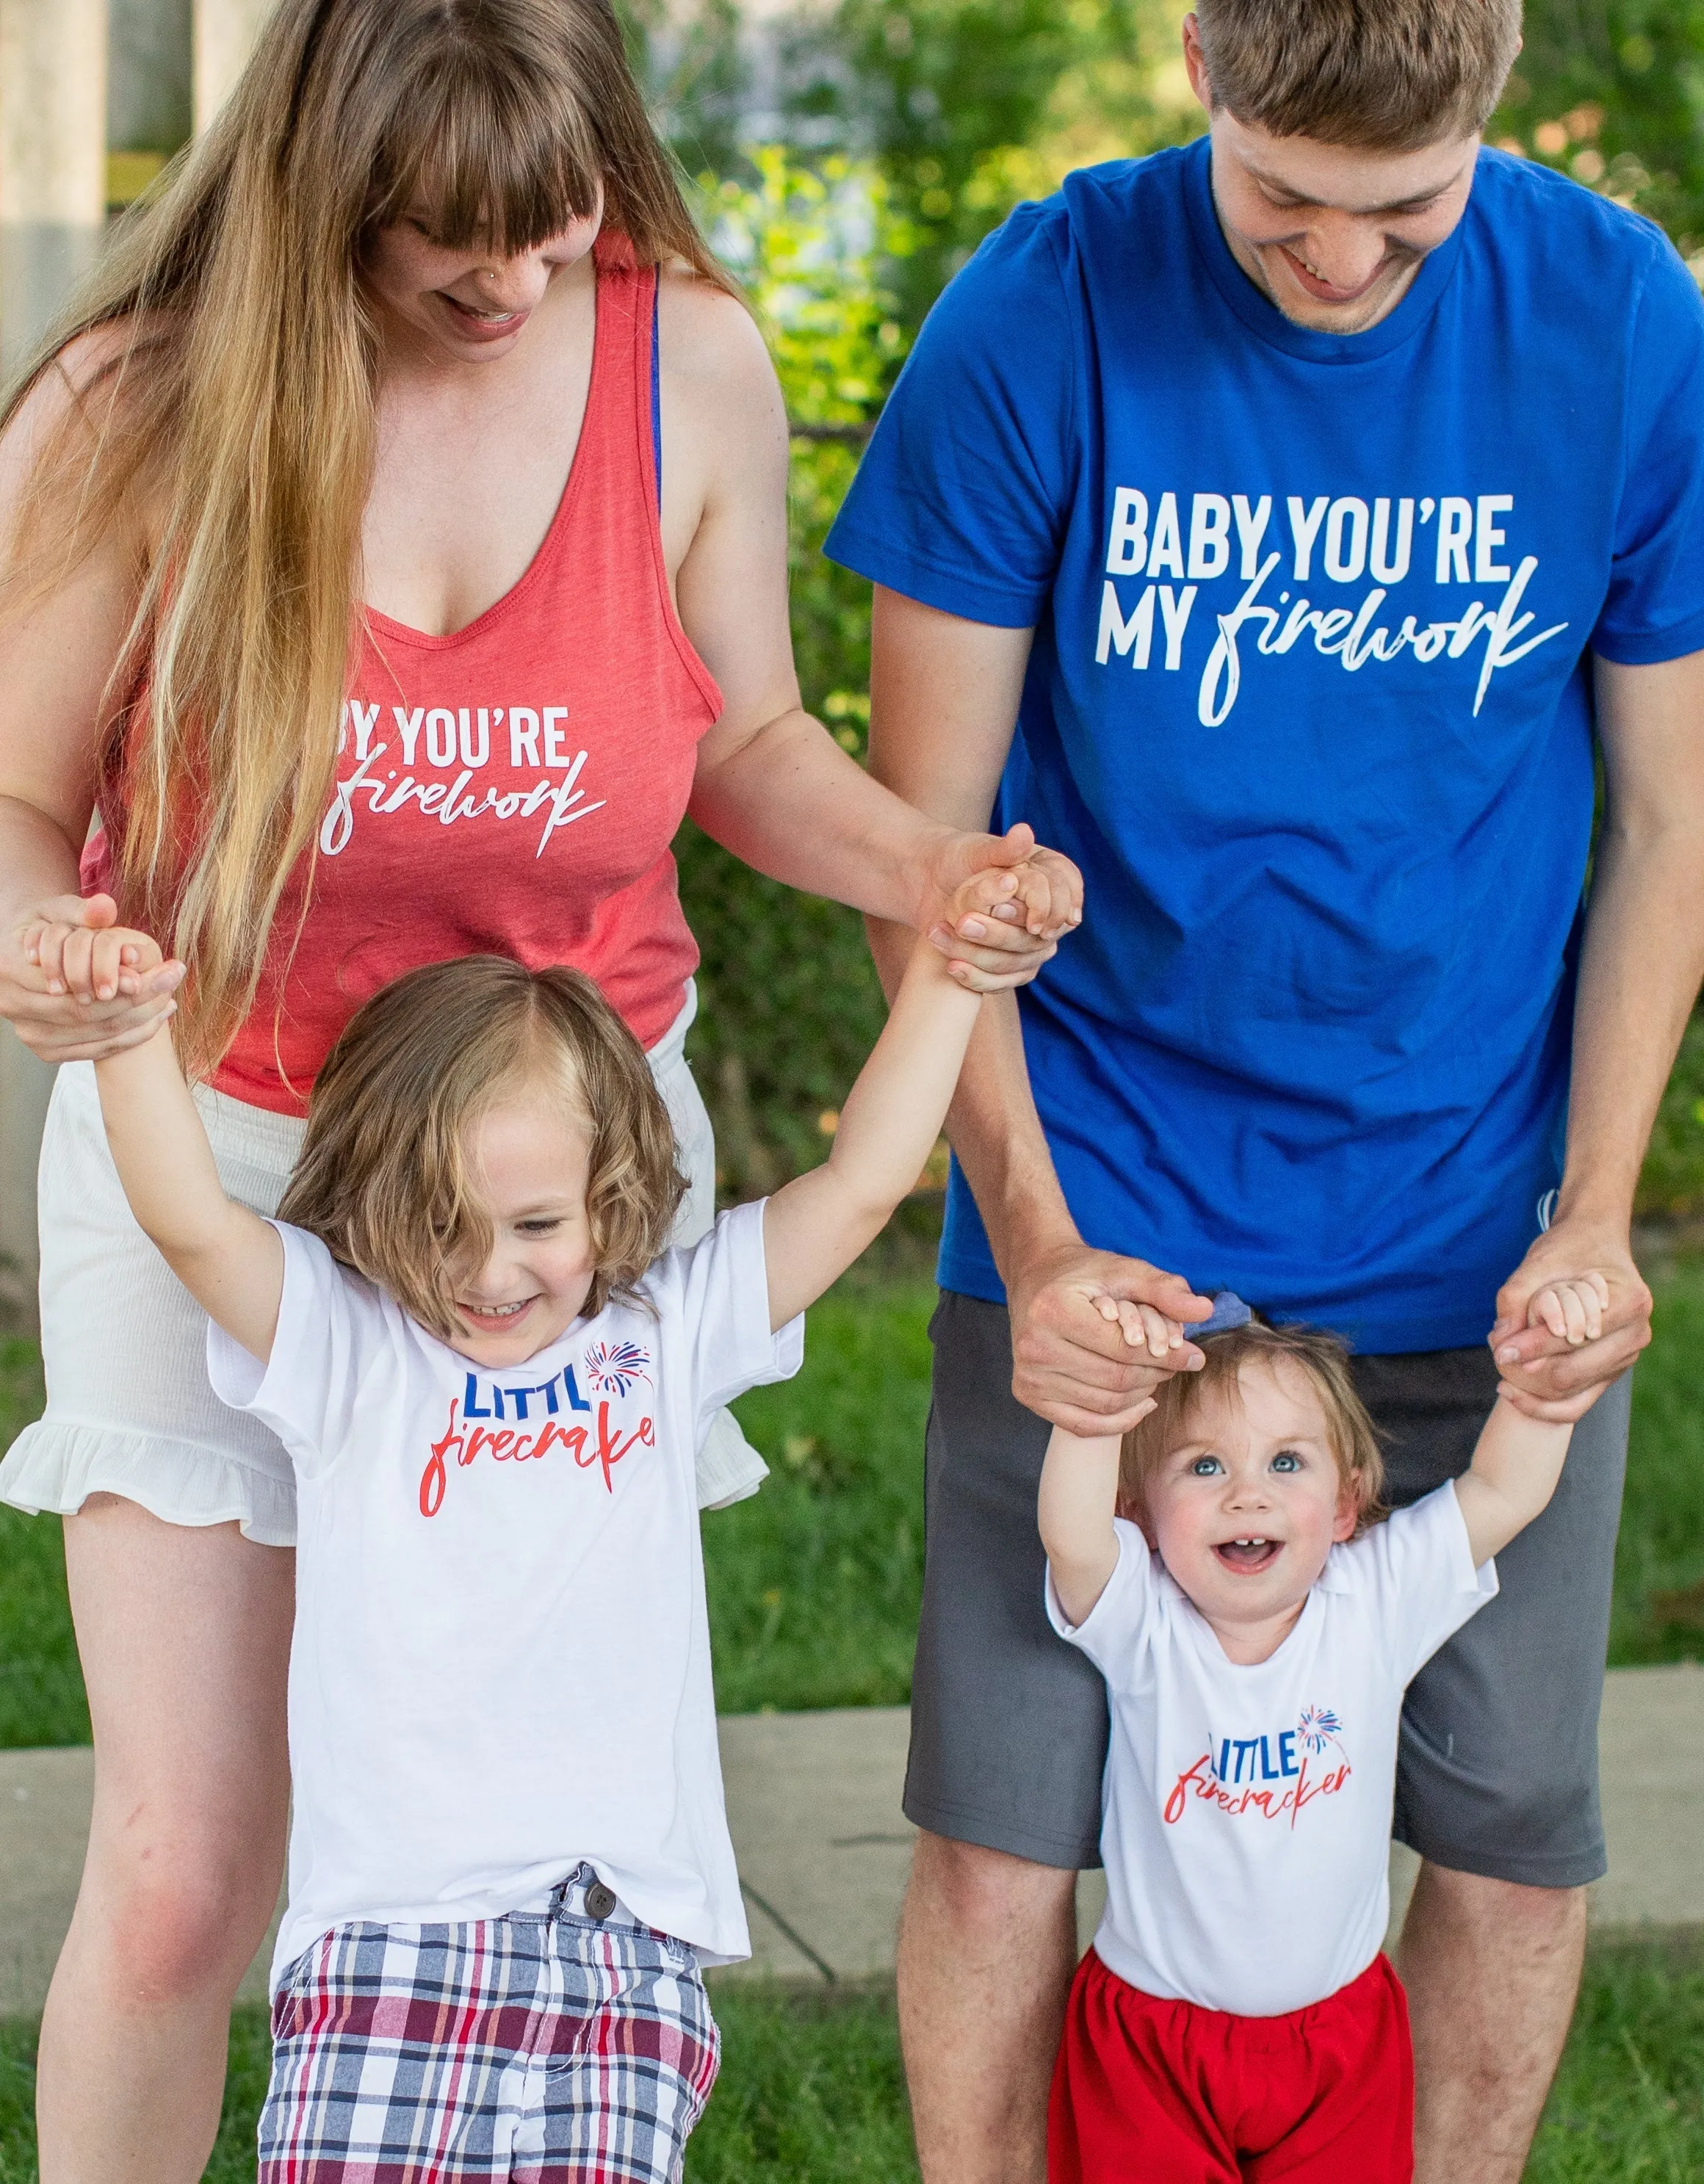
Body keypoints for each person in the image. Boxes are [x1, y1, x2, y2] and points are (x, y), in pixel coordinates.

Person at [0, 2, 1078, 2172]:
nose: (504, 284)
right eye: (436, 242)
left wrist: (927, 863)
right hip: (213, 1145)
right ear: (324, 185)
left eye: (551, 216)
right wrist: (53, 944)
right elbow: (21, 796)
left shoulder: (685, 362)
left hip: (557, 1209)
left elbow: (746, 741)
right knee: (190, 1867)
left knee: (510, 1843)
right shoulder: (141, 399)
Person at [826, 2, 1704, 2178]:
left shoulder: (1612, 320)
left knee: (1505, 1835)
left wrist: (1590, 1210)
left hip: (1462, 1244)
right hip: (1107, 1207)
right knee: (1003, 1844)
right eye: (1281, 200)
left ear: (1492, 90)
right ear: (1197, 56)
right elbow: (916, 847)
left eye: (1399, 221)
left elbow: (1667, 825)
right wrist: (1028, 1246)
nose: (1331, 266)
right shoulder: (1040, 312)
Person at [69, 922, 983, 2175]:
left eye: (538, 1221)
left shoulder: (666, 1335)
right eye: (442, 1221)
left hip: (623, 1941)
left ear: (611, 1196)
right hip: (388, 1942)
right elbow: (184, 1218)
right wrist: (128, 1038)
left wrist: (950, 974)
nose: (489, 1268)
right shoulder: (348, 1345)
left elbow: (864, 1181)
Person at [1039, 1289, 1603, 2181]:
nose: (1248, 1494)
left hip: (1340, 2041)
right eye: (1203, 1468)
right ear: (1140, 1516)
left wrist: (1548, 1369)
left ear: (1345, 1507)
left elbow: (1502, 1488)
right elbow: (1071, 1537)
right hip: (1154, 2039)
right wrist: (1099, 1399)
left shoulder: (1372, 1596)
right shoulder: (1142, 1619)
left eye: (1287, 1462)